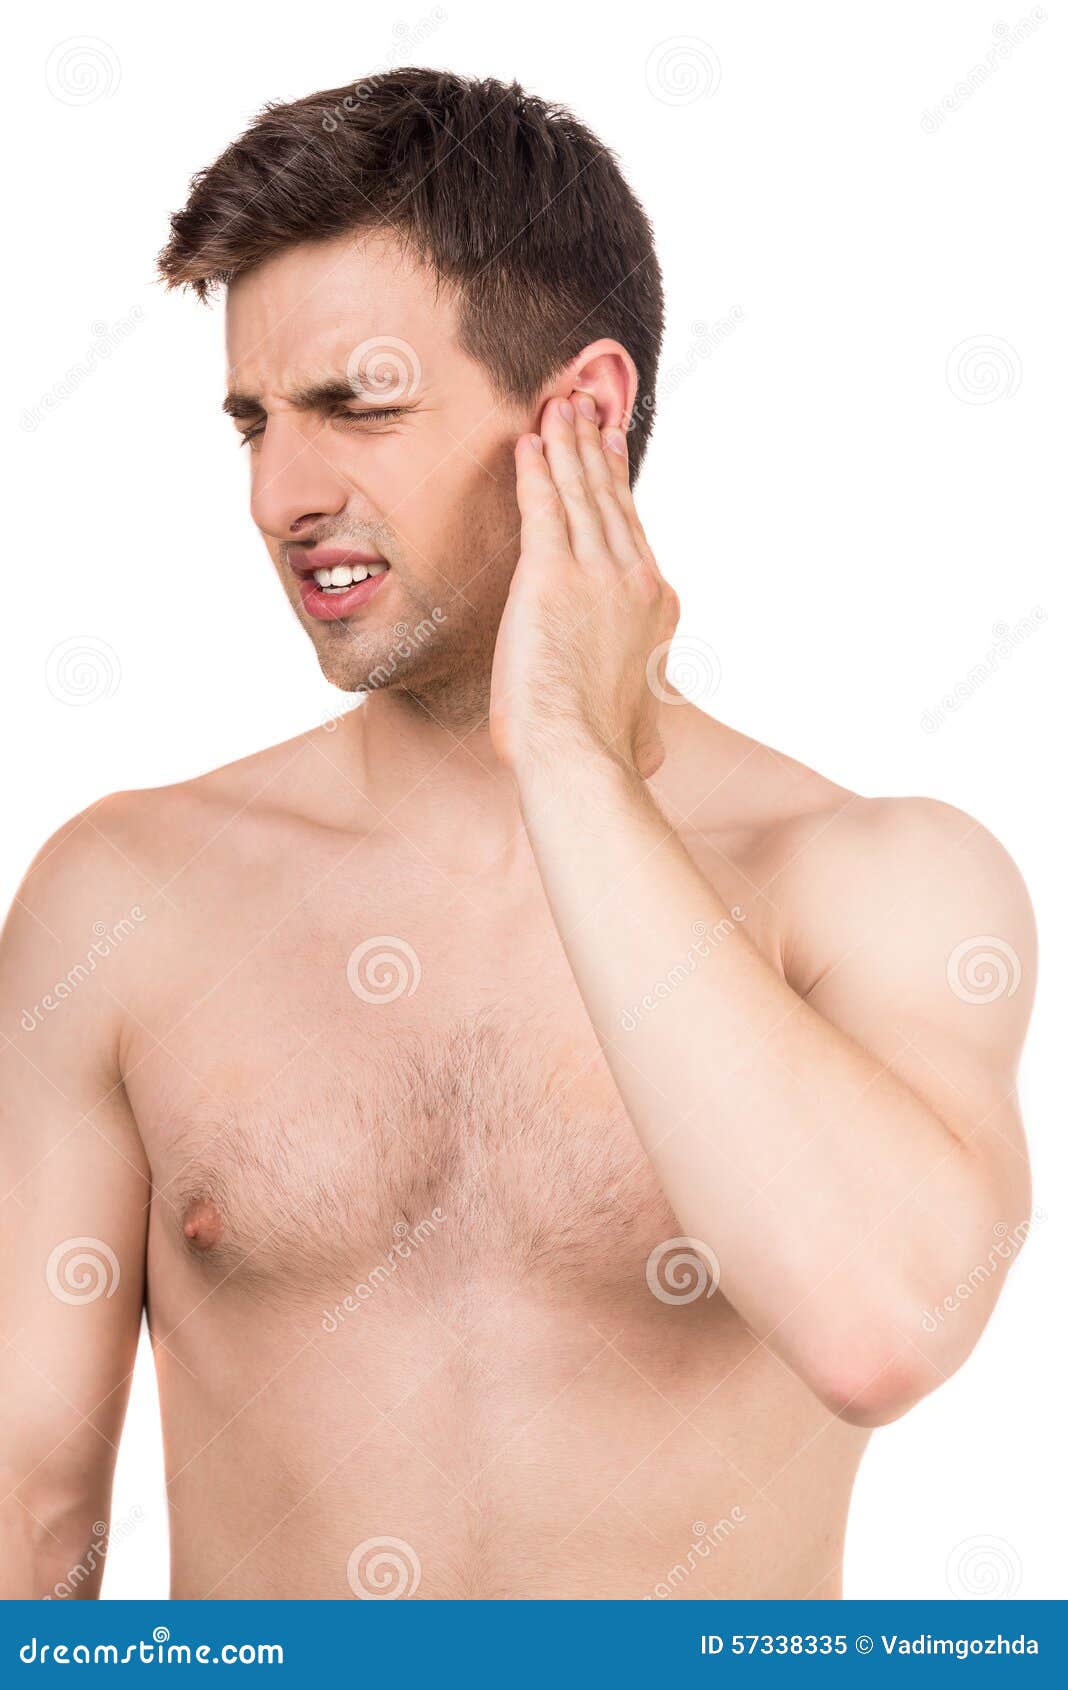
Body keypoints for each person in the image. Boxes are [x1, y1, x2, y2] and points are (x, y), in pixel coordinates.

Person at [0, 68, 1034, 1601]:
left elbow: (879, 1324)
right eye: (253, 426)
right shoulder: (123, 896)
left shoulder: (879, 884)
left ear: (583, 415)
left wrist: (565, 756)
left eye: (357, 405)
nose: (284, 493)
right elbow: (26, 1517)